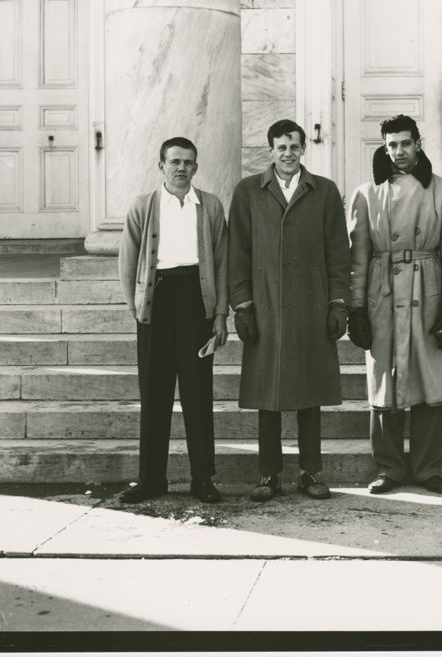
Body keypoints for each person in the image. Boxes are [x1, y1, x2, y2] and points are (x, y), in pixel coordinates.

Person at [228, 119, 351, 502]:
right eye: (281, 147)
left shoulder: (324, 191)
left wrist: (337, 302)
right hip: (265, 306)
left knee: (309, 395)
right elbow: (238, 253)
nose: (288, 154)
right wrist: (243, 306)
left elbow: (338, 252)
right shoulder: (249, 190)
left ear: (303, 150)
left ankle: (311, 473)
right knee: (268, 395)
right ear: (270, 150)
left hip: (310, 308)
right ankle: (269, 475)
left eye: (294, 147)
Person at [347, 115, 442, 495]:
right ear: (384, 148)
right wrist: (356, 309)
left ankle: (428, 466)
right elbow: (358, 257)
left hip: (427, 290)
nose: (398, 151)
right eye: (391, 145)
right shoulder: (367, 194)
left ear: (418, 143)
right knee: (385, 379)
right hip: (383, 294)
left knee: (430, 378)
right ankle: (388, 466)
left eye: (405, 143)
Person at [118, 137, 228, 504]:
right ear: (161, 165)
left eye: (188, 163)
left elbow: (223, 263)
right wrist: (136, 306)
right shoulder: (143, 207)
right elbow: (128, 260)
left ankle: (202, 478)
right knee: (154, 393)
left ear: (196, 168)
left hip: (196, 301)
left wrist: (219, 314)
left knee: (198, 395)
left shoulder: (210, 206)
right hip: (157, 301)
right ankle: (151, 479)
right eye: (174, 161)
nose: (181, 168)